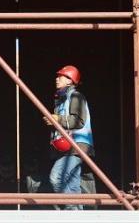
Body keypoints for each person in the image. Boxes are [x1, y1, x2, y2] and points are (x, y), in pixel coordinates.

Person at [44, 65, 96, 210]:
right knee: (73, 184)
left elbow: (78, 121)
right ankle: (77, 215)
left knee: (56, 176)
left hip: (78, 144)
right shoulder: (62, 99)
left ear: (70, 80)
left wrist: (57, 119)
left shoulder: (75, 96)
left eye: (60, 76)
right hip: (68, 146)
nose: (56, 79)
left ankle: (71, 210)